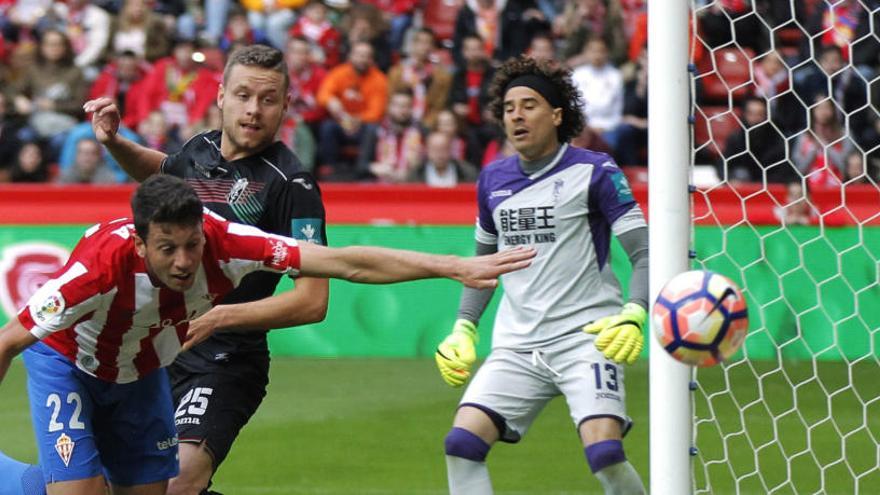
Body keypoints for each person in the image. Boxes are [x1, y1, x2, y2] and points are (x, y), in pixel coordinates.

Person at [0, 174, 535, 495]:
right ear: (140, 244)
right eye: (168, 248)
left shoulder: (230, 244)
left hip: (141, 371)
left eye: (192, 244)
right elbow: (7, 342)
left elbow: (345, 263)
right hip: (68, 365)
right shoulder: (93, 272)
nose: (185, 262)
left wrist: (450, 266)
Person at [83, 44, 323, 495]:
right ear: (220, 96)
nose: (253, 110)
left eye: (268, 99)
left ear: (286, 105)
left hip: (226, 357)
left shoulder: (292, 185)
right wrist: (115, 142)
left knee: (178, 482)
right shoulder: (200, 149)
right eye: (243, 95)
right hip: (159, 348)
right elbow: (161, 171)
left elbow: (313, 300)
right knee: (126, 486)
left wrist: (220, 317)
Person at [434, 56, 648, 494]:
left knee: (604, 454)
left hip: (586, 338)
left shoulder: (595, 171)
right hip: (518, 345)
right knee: (461, 443)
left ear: (556, 114)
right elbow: (482, 266)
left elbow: (644, 252)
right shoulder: (492, 179)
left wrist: (634, 311)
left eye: (529, 105)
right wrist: (464, 328)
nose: (516, 115)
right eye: (509, 107)